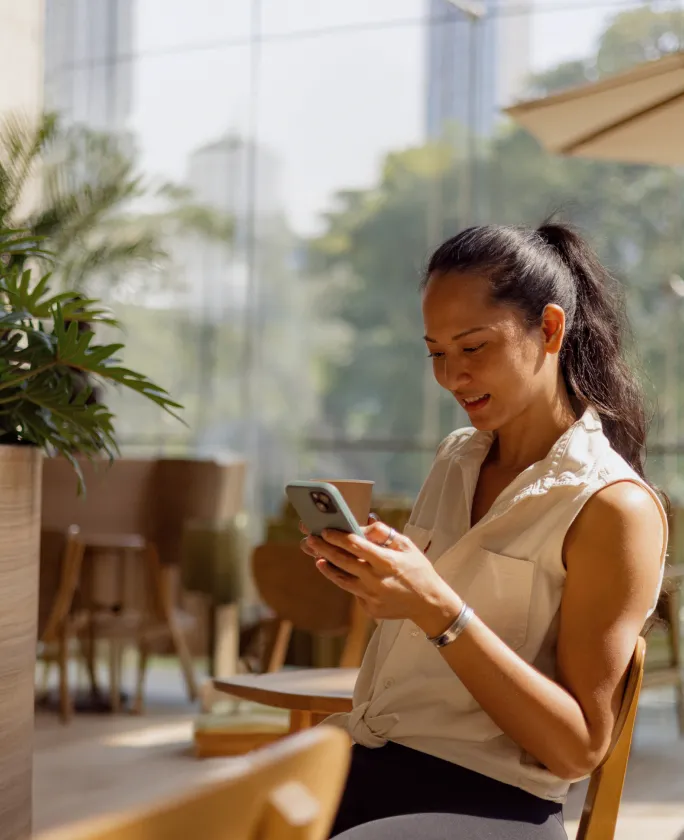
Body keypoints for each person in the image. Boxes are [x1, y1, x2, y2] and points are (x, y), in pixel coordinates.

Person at [300, 222, 667, 840]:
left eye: (474, 348)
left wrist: (438, 609)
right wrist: (380, 584)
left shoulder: (612, 507)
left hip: (489, 802)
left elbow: (578, 749)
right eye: (437, 353)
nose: (452, 376)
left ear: (550, 329)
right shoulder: (456, 458)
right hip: (370, 764)